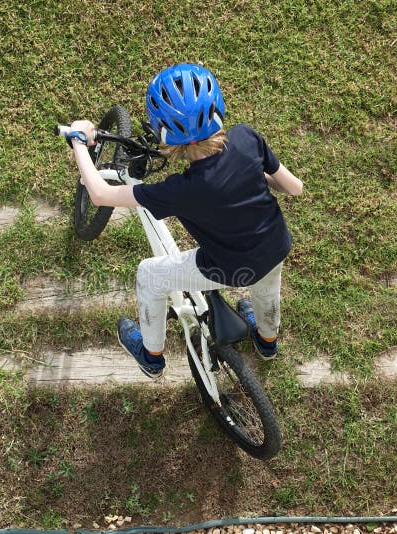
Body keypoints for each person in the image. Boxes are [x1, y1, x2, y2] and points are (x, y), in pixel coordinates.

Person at [66, 63, 302, 380]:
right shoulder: (246, 138)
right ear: (217, 108)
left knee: (149, 274)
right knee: (267, 285)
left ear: (162, 128)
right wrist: (247, 177)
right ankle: (267, 341)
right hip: (275, 244)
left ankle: (151, 357)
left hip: (228, 268)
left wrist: (79, 141)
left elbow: (99, 194)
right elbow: (294, 187)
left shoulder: (180, 191)